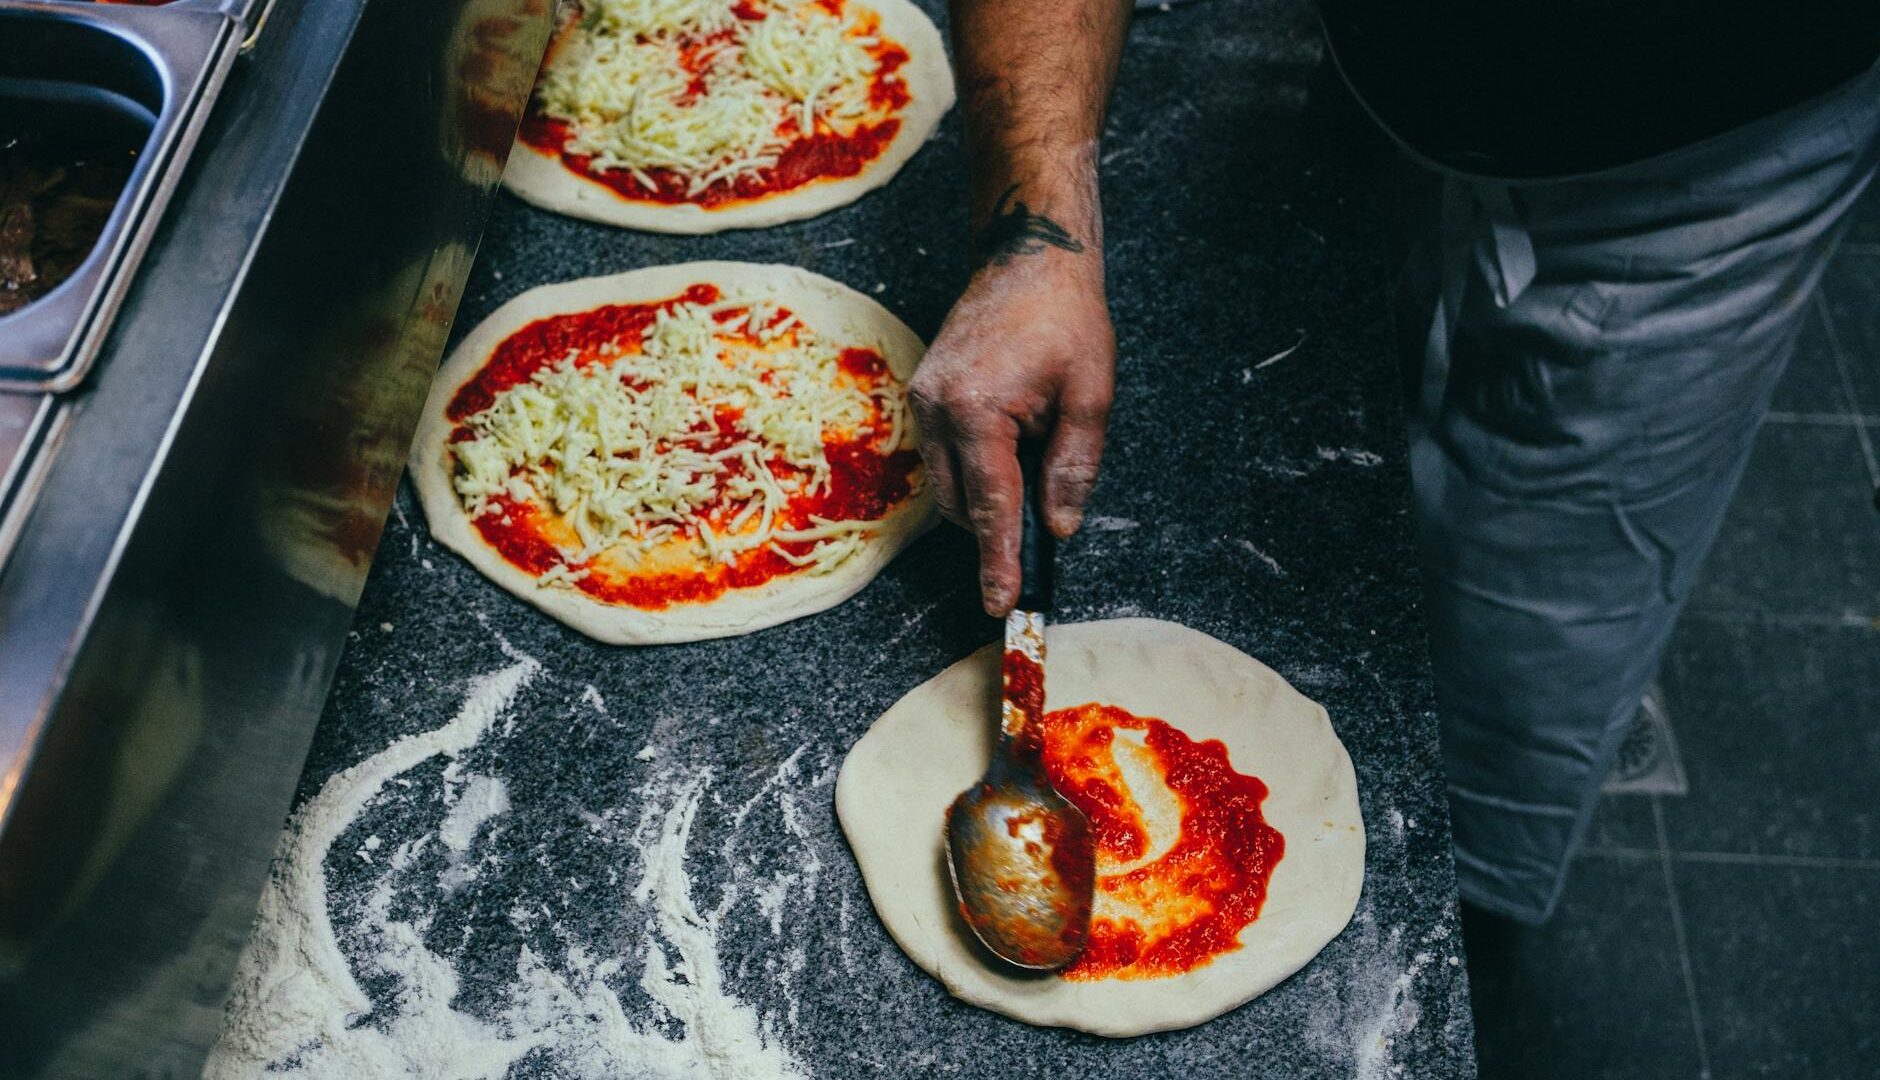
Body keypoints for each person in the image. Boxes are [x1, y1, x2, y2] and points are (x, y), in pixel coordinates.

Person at [908, 0, 1880, 925]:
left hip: (1700, 149)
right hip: (1378, 71)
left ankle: (1456, 906)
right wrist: (1032, 238)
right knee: (1331, 437)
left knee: (1545, 608)